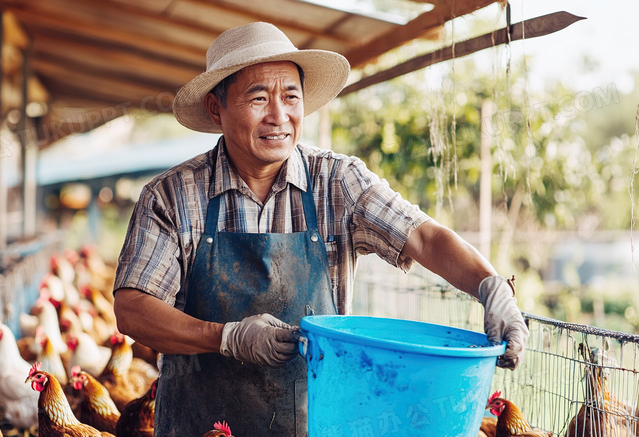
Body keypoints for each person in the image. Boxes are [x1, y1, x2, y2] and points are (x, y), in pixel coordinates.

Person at [113, 22, 529, 436]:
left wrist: (490, 287)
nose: (279, 116)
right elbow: (132, 308)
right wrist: (227, 337)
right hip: (199, 426)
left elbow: (424, 236)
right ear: (216, 108)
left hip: (314, 424)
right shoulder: (171, 196)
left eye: (291, 96)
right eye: (258, 97)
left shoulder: (338, 182)